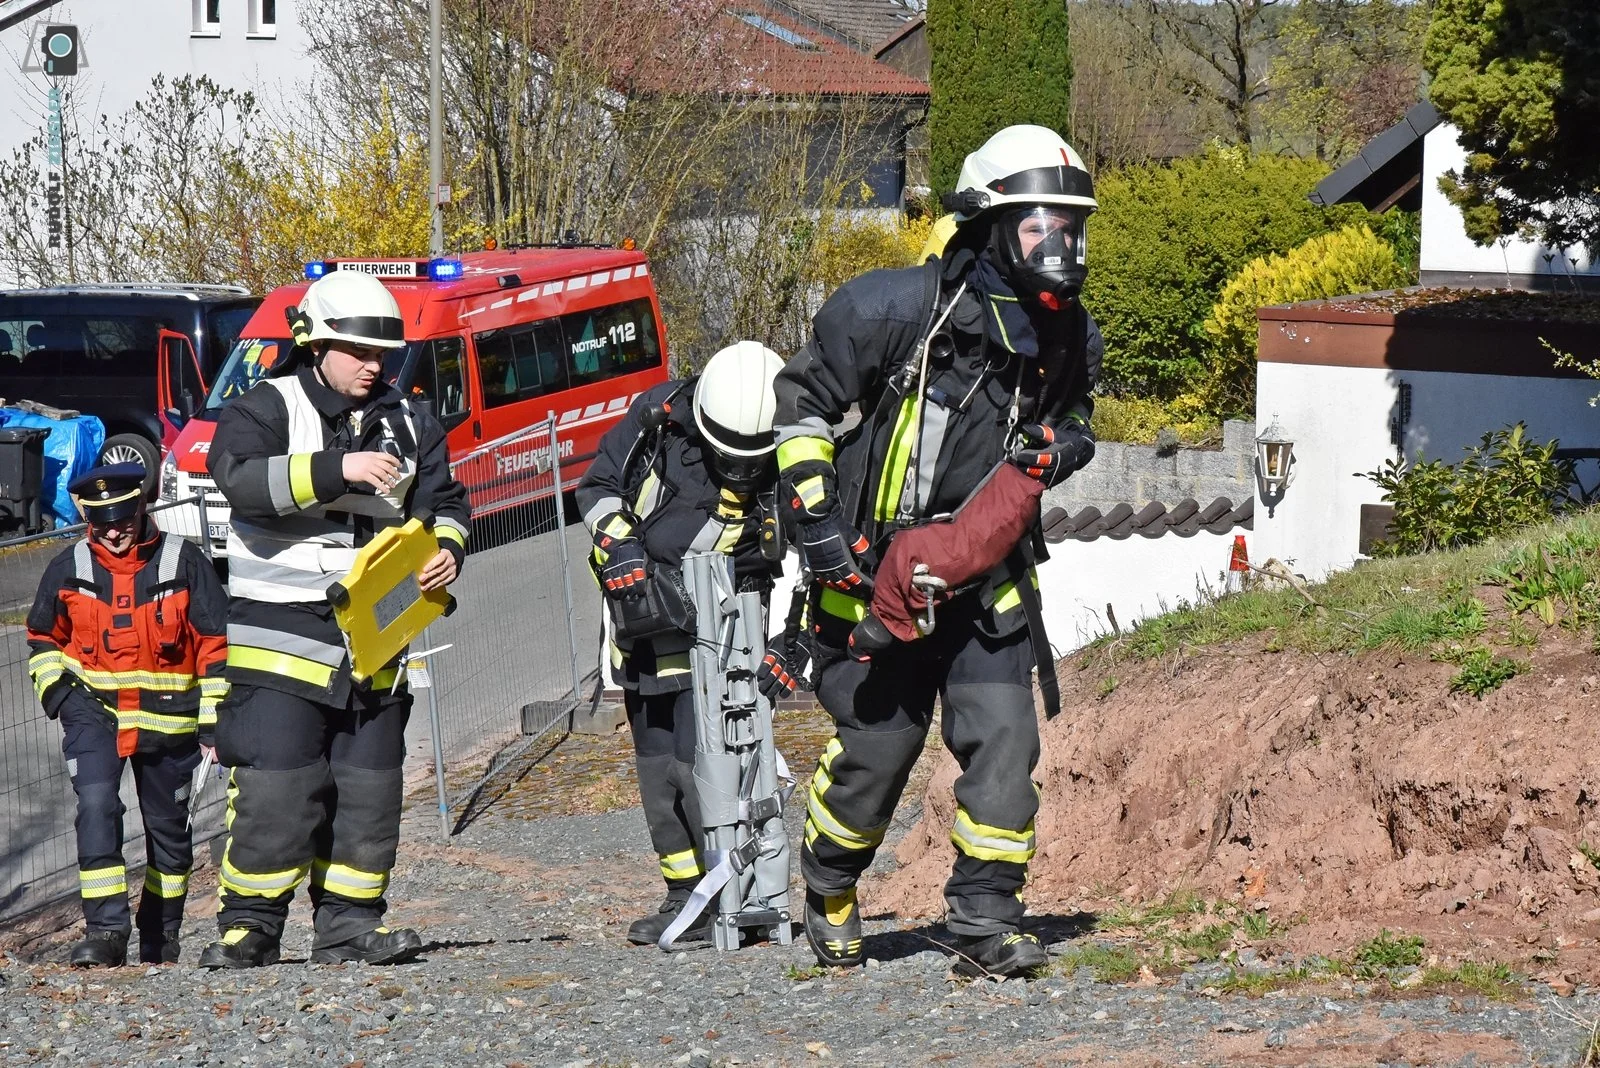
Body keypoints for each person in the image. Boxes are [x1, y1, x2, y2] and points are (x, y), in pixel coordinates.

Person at [772, 124, 1104, 978]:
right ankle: (828, 881)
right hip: (869, 576)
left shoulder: (1069, 339)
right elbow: (801, 409)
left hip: (982, 583)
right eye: (1040, 226)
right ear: (991, 223)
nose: (1060, 245)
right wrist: (813, 524)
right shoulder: (891, 309)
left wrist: (1065, 447)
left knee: (1006, 744)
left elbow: (1073, 421)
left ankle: (984, 922)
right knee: (878, 756)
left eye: (1072, 227)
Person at [198, 270, 469, 969]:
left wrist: (447, 550)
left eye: (383, 354)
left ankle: (349, 928)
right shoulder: (263, 406)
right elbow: (238, 480)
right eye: (358, 351)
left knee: (369, 792)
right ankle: (248, 930)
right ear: (315, 344)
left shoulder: (410, 418)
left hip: (376, 641)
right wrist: (337, 468)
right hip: (281, 640)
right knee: (277, 788)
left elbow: (447, 501)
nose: (374, 365)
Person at [576, 340, 786, 946]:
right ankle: (682, 893)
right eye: (731, 457)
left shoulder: (786, 449)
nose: (743, 470)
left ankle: (736, 891)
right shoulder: (658, 423)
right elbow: (596, 489)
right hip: (643, 630)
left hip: (720, 641)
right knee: (659, 771)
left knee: (715, 769)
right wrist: (621, 547)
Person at [26, 463, 229, 966]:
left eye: (122, 518)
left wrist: (214, 722)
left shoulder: (185, 562)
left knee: (170, 834)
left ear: (142, 507)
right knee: (97, 807)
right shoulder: (67, 566)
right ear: (87, 519)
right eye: (101, 523)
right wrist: (60, 695)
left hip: (171, 723)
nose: (114, 532)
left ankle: (161, 937)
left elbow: (215, 645)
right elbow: (41, 637)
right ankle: (106, 934)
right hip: (93, 715)